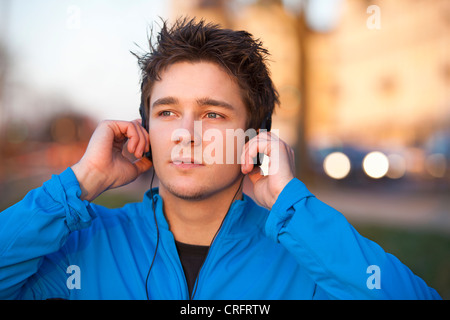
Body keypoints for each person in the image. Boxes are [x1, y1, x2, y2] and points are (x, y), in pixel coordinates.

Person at [0, 18, 441, 300]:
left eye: (212, 113)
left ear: (255, 138)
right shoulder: (83, 247)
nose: (186, 135)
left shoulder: (308, 257)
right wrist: (82, 180)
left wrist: (293, 210)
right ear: (146, 129)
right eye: (167, 112)